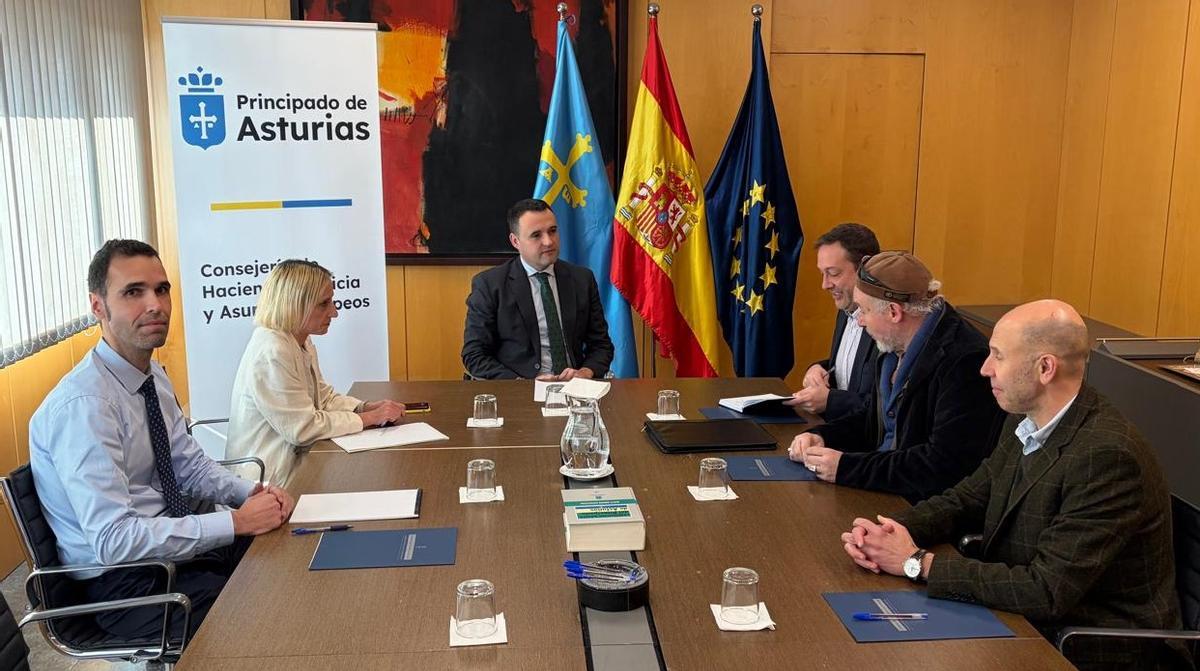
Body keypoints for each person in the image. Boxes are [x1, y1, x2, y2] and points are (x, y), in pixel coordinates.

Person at [840, 300, 1189, 671]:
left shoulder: (1107, 456)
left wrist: (915, 562)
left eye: (998, 356)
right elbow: (971, 496)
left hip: (1092, 649)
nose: (985, 369)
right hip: (1026, 622)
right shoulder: (1026, 417)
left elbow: (1045, 589)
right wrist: (892, 530)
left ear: (1044, 368)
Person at [28, 239, 295, 641]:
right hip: (125, 587)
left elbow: (189, 465)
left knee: (289, 562)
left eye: (162, 289)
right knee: (274, 617)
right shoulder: (85, 406)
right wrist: (235, 521)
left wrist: (252, 492)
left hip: (174, 557)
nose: (155, 304)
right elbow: (114, 541)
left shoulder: (152, 378)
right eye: (133, 292)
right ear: (98, 306)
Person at [788, 251, 1004, 502]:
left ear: (893, 312)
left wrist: (847, 467)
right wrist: (823, 435)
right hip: (884, 487)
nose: (859, 322)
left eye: (864, 311)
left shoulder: (964, 360)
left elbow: (943, 466)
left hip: (920, 506)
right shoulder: (892, 345)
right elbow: (873, 421)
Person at [225, 259, 405, 487]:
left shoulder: (299, 339)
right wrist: (369, 419)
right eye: (324, 304)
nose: (334, 312)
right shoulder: (272, 351)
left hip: (300, 464)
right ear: (294, 303)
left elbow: (324, 398)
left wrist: (365, 407)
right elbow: (302, 428)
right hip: (265, 484)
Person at [462, 198, 614, 380]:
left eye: (553, 231)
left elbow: (601, 345)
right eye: (536, 235)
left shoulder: (582, 279)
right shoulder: (490, 285)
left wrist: (585, 372)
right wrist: (523, 384)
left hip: (574, 389)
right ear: (515, 241)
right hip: (518, 392)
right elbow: (474, 355)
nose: (548, 242)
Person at [785, 223, 880, 420]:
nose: (825, 285)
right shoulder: (845, 308)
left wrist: (830, 400)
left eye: (834, 273)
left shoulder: (886, 324)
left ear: (865, 267)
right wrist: (818, 368)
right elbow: (852, 369)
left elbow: (885, 408)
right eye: (823, 273)